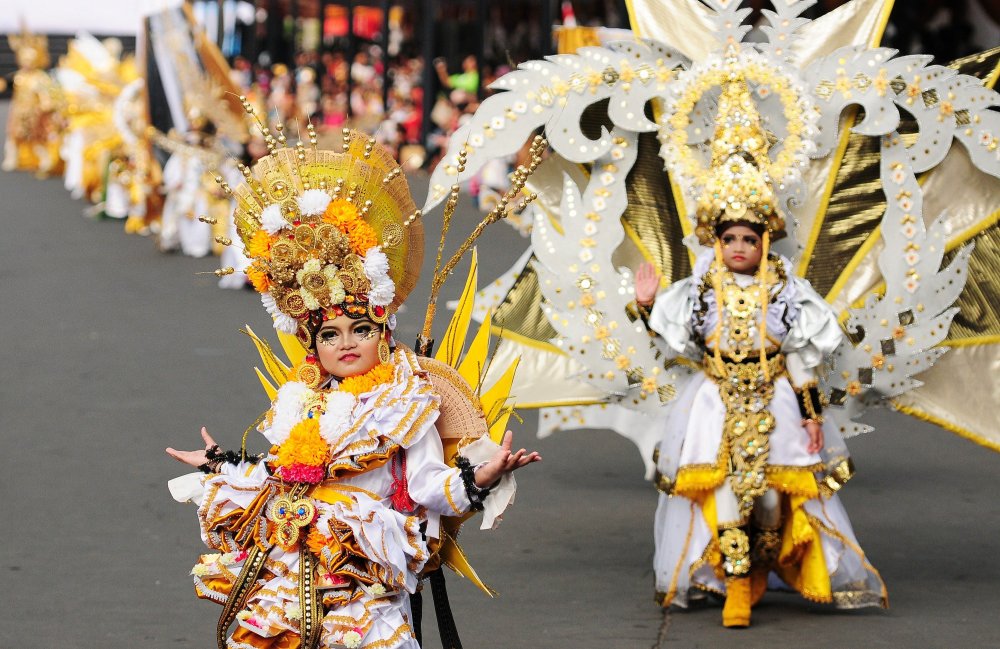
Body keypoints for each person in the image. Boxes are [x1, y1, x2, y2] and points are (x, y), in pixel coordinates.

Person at [166, 127, 539, 649]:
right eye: (330, 335)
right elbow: (283, 474)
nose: (346, 344)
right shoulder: (302, 400)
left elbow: (430, 485)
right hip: (293, 558)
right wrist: (222, 464)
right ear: (311, 345)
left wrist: (481, 476)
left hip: (365, 565)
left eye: (360, 330)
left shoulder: (404, 402)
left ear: (382, 333)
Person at [633, 76, 885, 628]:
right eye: (730, 239)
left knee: (771, 500)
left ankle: (762, 567)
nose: (740, 248)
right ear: (716, 242)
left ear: (765, 240)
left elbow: (799, 352)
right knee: (723, 493)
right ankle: (737, 588)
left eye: (749, 239)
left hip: (775, 400)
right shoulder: (700, 289)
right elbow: (674, 342)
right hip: (715, 401)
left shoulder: (784, 290)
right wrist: (649, 305)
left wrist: (813, 414)